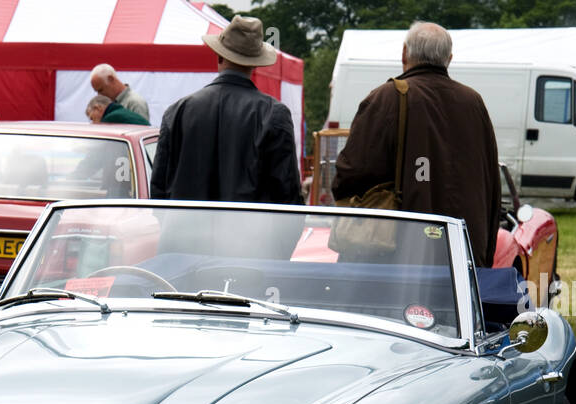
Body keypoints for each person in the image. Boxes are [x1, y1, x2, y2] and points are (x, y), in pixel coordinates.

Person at [331, 21, 499, 267]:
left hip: (397, 260)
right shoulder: (473, 102)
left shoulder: (386, 98)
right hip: (463, 256)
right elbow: (491, 184)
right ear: (449, 59)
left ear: (404, 54)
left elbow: (350, 173)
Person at [149, 15, 300, 204]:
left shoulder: (178, 111)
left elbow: (158, 188)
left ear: (219, 56)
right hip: (249, 231)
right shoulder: (273, 113)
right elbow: (287, 189)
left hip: (184, 230)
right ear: (255, 63)